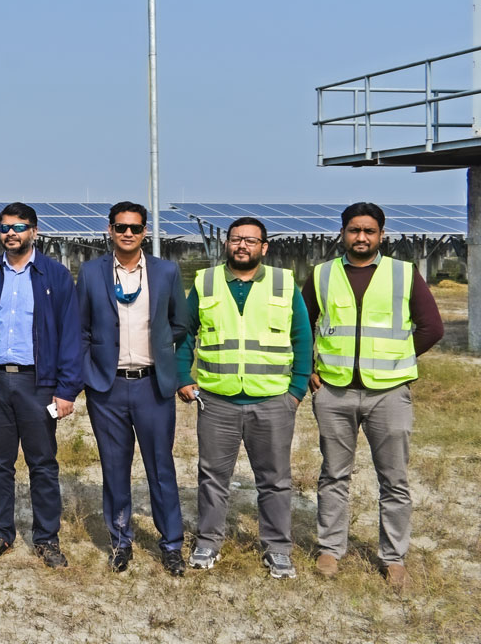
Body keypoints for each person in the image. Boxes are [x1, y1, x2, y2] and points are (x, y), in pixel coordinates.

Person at [303, 202, 443, 586]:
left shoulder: (403, 274)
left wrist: (397, 360)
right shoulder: (322, 275)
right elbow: (301, 325)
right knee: (333, 474)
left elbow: (431, 327)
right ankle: (330, 549)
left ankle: (394, 556)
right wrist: (308, 369)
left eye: (368, 231)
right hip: (334, 392)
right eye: (353, 230)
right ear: (343, 233)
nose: (360, 237)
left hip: (389, 395)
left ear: (381, 234)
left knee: (394, 479)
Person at [177, 217, 312, 579]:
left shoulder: (284, 284)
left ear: (264, 247)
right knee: (212, 477)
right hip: (217, 401)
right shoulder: (205, 282)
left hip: (273, 401)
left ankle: (278, 548)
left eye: (251, 240)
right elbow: (187, 334)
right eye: (237, 239)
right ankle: (208, 541)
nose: (243, 246)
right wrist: (181, 377)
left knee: (274, 480)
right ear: (227, 244)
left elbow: (302, 336)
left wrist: (297, 390)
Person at [0, 202, 84, 569]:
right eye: (4, 227)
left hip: (37, 384)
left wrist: (65, 389)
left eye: (18, 227)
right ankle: (0, 533)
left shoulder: (55, 276)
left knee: (42, 463)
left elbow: (71, 335)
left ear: (34, 231)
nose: (10, 233)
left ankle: (46, 538)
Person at [76, 201, 188, 576]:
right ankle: (120, 541)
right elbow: (82, 329)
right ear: (109, 230)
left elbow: (180, 323)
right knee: (114, 468)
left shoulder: (166, 271)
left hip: (152, 386)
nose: (128, 233)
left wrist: (157, 346)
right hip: (107, 389)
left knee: (161, 468)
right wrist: (87, 375)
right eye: (121, 227)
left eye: (135, 228)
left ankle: (171, 543)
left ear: (145, 232)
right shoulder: (91, 273)